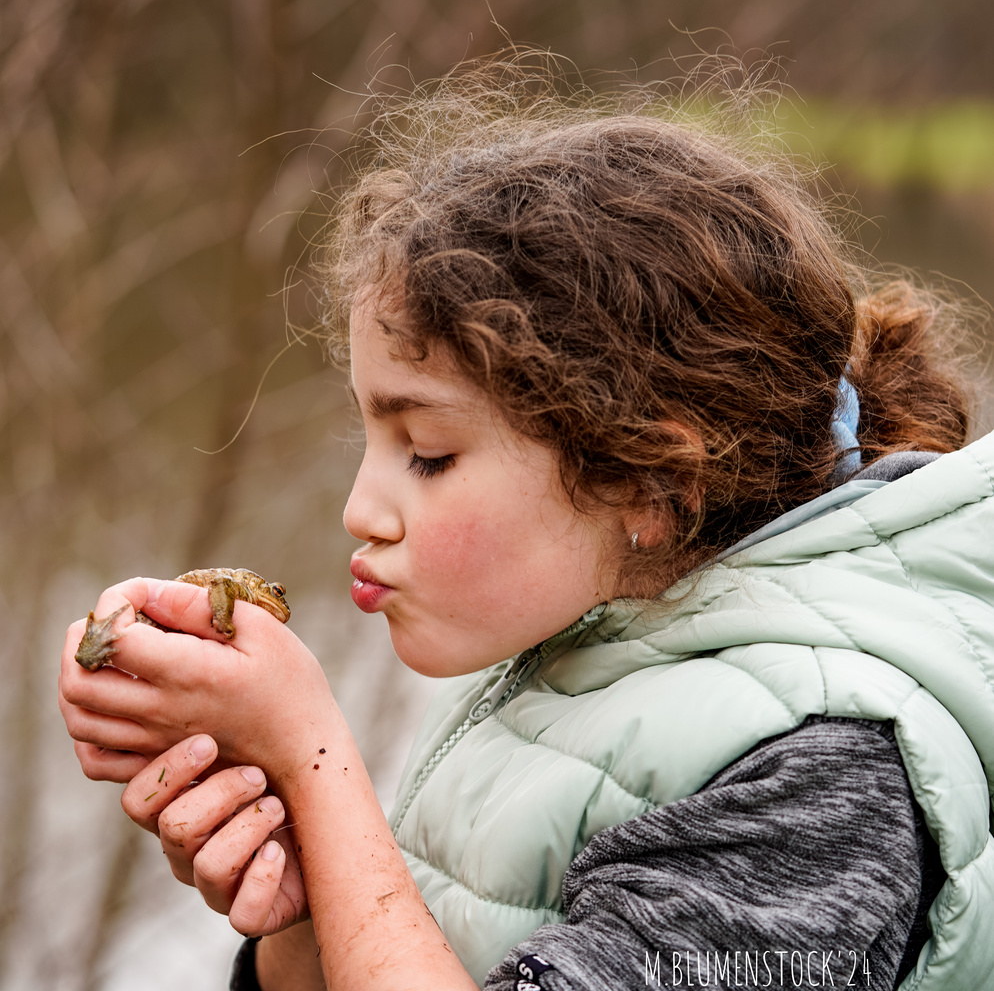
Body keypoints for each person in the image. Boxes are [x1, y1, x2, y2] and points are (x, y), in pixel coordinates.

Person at [59, 55, 994, 991]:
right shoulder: (587, 641)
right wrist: (311, 904)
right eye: (369, 437)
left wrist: (313, 765)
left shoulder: (827, 780)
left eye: (426, 451)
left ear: (646, 479)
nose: (358, 509)